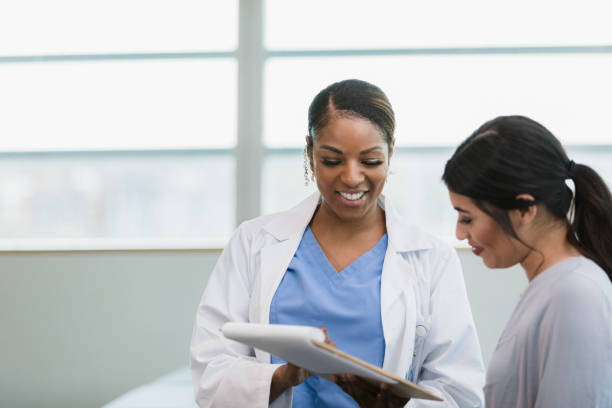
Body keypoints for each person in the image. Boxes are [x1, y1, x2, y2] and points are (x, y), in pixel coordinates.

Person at [190, 79, 485, 407]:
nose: (352, 177)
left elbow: (460, 392)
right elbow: (211, 371)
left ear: (390, 152)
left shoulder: (432, 258)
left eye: (370, 161)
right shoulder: (253, 243)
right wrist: (283, 376)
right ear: (309, 151)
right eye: (332, 160)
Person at [442, 115, 612, 408]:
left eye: (467, 217)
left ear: (524, 209)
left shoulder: (574, 294)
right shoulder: (552, 287)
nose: (459, 233)